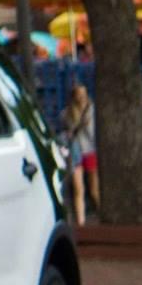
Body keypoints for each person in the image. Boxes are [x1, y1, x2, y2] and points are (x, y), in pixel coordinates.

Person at [61, 84, 98, 224]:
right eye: (79, 94)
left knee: (94, 190)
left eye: (84, 94)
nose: (82, 98)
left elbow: (92, 134)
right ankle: (81, 224)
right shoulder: (67, 114)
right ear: (74, 96)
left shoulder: (92, 111)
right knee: (78, 189)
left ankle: (100, 213)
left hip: (90, 151)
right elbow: (68, 133)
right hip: (76, 154)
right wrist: (77, 121)